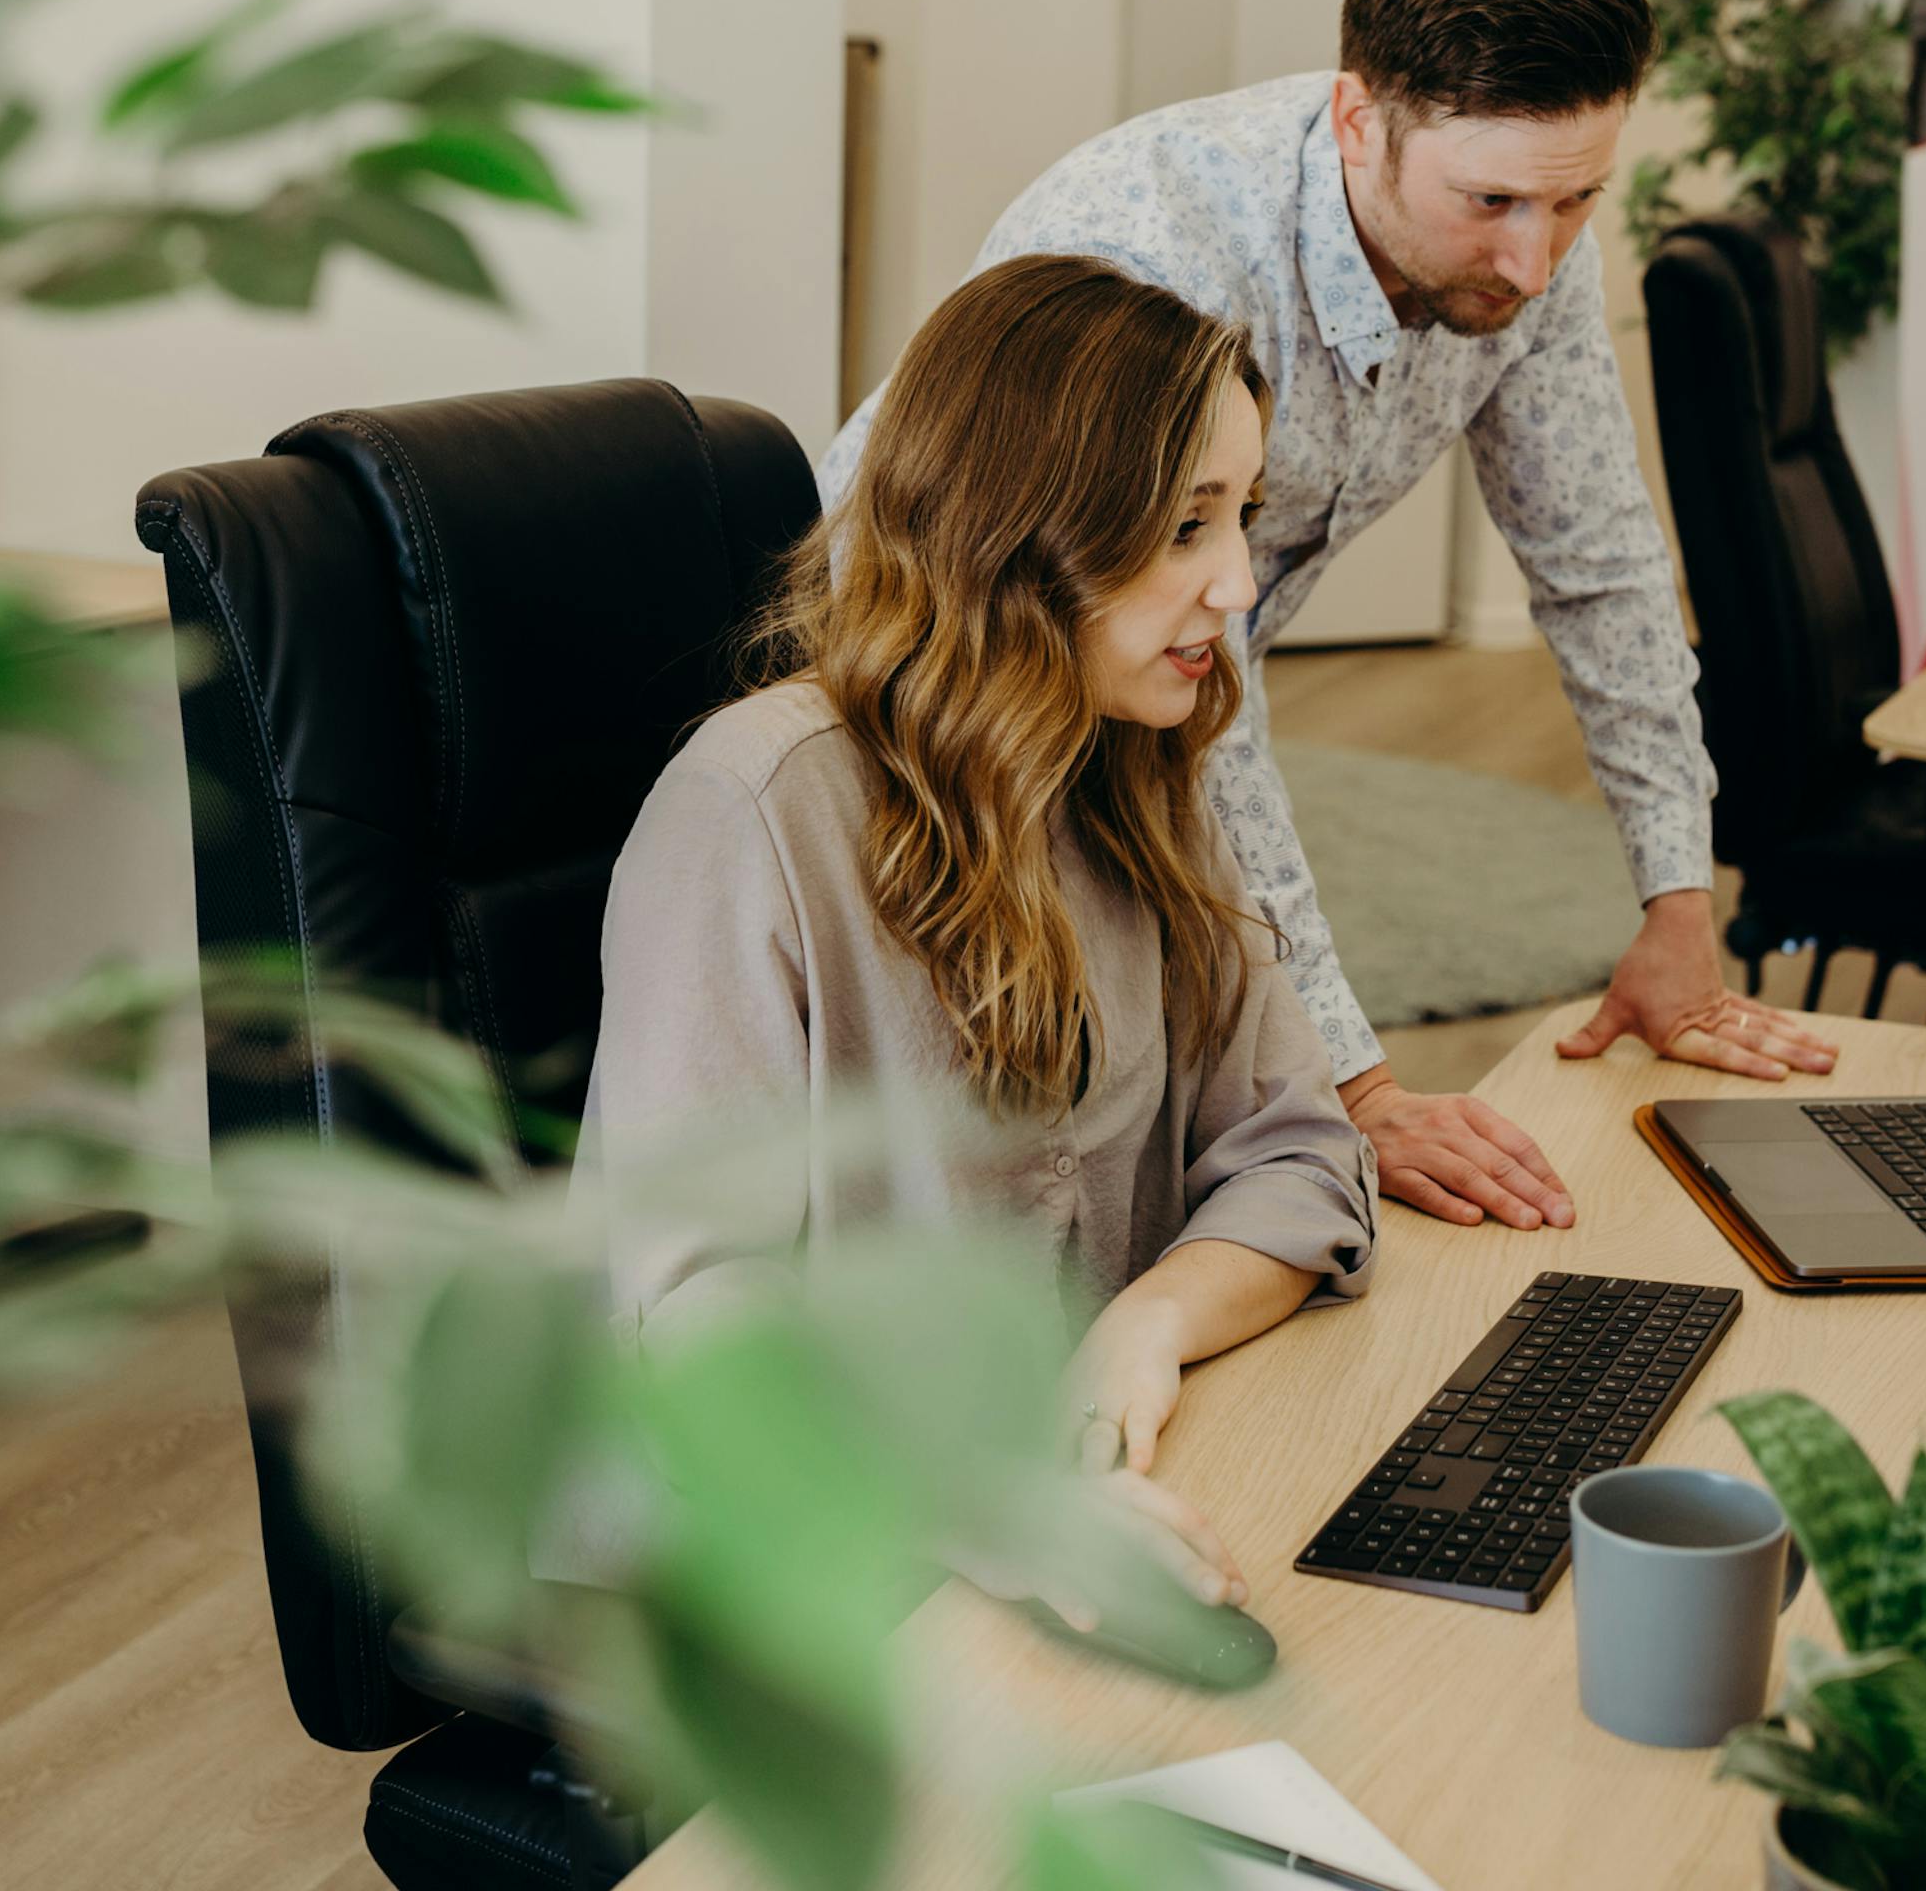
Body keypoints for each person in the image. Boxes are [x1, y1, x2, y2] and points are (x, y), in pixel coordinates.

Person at [824, 0, 1841, 1243]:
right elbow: (1210, 709)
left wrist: (1675, 904)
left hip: (1146, 686)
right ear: (1362, 117)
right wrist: (1355, 1080)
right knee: (1005, 1143)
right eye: (1490, 202)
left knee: (1200, 1119)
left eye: (1579, 201)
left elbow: (1600, 565)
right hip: (923, 677)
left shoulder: (1525, 244)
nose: (1535, 264)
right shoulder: (1160, 249)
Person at [588, 254, 1378, 1617]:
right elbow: (698, 1320)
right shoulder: (755, 809)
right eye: (1188, 528)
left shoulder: (1137, 771)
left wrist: (1150, 1324)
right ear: (1026, 529)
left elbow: (1301, 1150)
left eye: (1242, 518)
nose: (1238, 586)